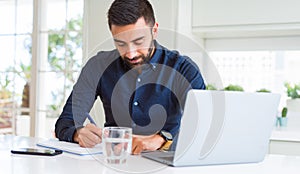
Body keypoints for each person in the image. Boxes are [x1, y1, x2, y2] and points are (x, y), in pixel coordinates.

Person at [55, 0, 206, 155]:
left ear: (154, 30)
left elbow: (202, 126)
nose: (130, 53)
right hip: (114, 162)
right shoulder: (98, 66)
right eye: (121, 44)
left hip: (166, 166)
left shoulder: (183, 69)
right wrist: (77, 134)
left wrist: (162, 139)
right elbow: (65, 123)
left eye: (138, 42)